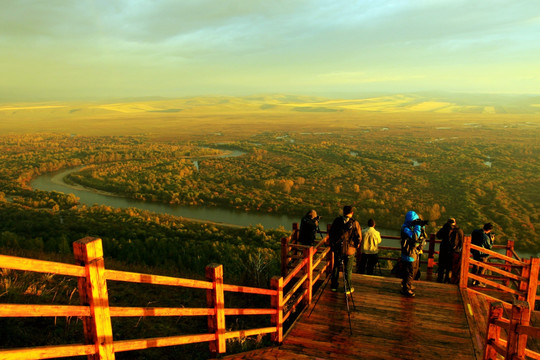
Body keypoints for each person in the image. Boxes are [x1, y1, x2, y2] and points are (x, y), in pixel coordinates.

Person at [329, 205, 362, 294]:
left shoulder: (337, 221)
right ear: (352, 213)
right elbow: (359, 237)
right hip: (349, 250)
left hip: (338, 248)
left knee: (336, 266)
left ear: (343, 212)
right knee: (348, 269)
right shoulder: (355, 223)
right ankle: (347, 287)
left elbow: (331, 233)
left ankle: (334, 286)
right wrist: (356, 245)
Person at [400, 211, 427, 297]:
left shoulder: (410, 227)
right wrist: (418, 226)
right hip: (408, 254)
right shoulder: (405, 228)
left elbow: (422, 237)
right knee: (409, 272)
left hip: (413, 253)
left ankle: (407, 285)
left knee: (412, 271)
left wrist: (422, 226)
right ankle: (406, 289)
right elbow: (415, 237)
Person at [436, 218, 456, 283]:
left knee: (441, 264)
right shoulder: (455, 230)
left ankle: (440, 278)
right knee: (449, 265)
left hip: (443, 248)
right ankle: (447, 279)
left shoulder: (444, 228)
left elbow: (438, 236)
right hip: (451, 249)